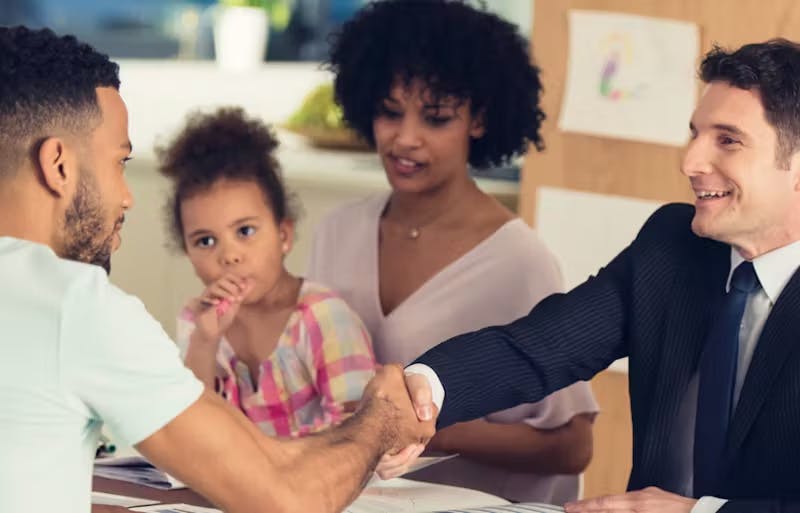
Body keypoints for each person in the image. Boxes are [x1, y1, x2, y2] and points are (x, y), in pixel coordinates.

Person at [0, 25, 433, 513]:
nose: (127, 196)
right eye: (120, 163)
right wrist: (382, 418)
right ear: (58, 165)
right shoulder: (75, 306)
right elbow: (289, 501)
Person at [401, 39, 800, 513]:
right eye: (694, 134)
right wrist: (423, 389)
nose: (690, 162)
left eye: (728, 140)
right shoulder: (672, 245)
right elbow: (538, 349)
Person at [307, 0, 597, 503]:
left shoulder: (517, 262)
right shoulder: (338, 231)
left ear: (479, 120)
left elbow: (573, 446)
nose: (406, 138)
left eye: (436, 118)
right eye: (389, 112)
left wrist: (418, 426)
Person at [157, 107, 376, 438]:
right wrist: (204, 343)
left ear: (283, 236)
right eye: (205, 241)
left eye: (245, 231)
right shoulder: (198, 323)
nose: (228, 255)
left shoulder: (323, 318)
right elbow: (191, 434)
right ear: (188, 253)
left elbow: (360, 432)